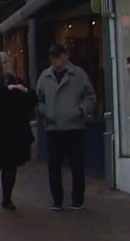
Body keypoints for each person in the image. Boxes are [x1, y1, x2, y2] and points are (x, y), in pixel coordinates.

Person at [37, 44, 97, 211]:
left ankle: (78, 200)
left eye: (58, 56)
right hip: (53, 128)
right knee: (54, 165)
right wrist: (45, 112)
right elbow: (39, 99)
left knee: (76, 164)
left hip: (74, 127)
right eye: (52, 57)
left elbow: (91, 97)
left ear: (65, 57)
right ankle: (57, 200)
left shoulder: (78, 75)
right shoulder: (45, 76)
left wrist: (80, 111)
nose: (55, 60)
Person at [0, 52, 36, 211]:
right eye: (4, 63)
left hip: (13, 133)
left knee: (10, 167)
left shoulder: (15, 81)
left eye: (8, 62)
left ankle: (7, 198)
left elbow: (30, 98)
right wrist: (10, 92)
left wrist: (20, 90)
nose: (7, 65)